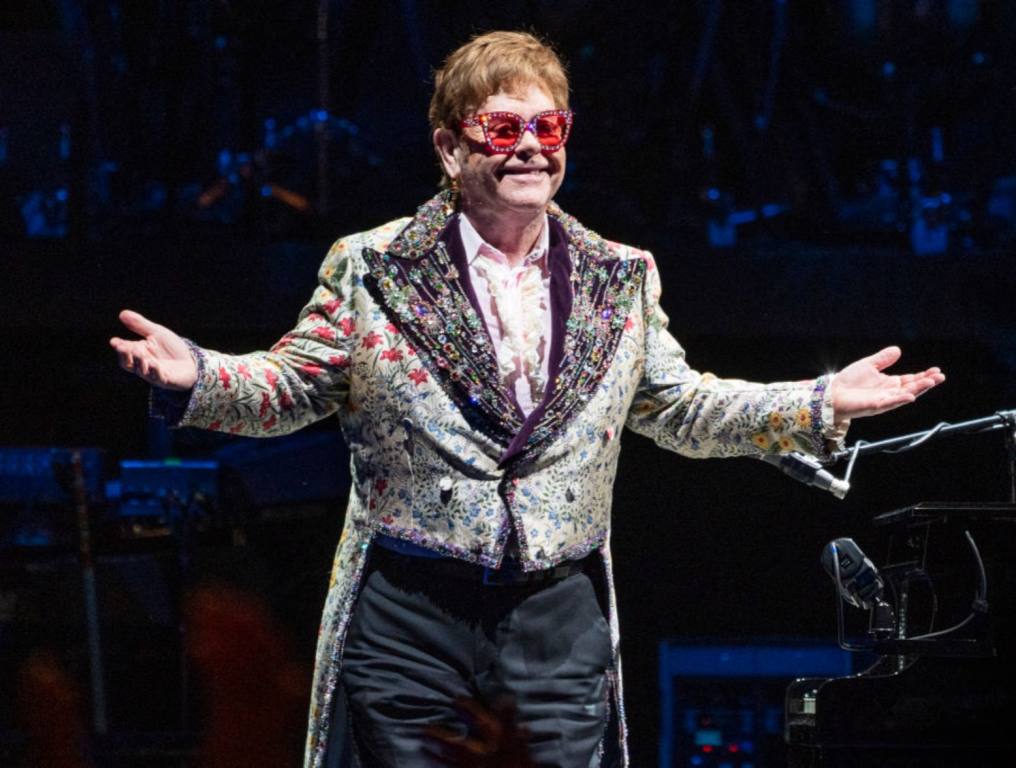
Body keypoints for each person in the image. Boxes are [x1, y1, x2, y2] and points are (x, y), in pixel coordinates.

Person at [110, 30, 944, 768]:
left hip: (556, 613)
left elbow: (681, 407)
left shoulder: (619, 277)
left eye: (549, 128)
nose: (531, 149)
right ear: (449, 147)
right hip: (412, 611)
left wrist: (819, 400)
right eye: (503, 129)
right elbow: (294, 385)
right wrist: (202, 375)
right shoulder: (373, 268)